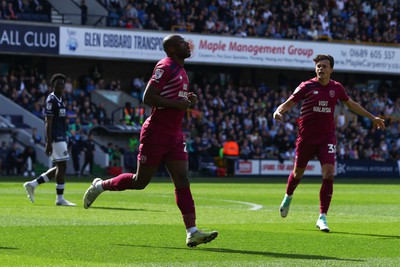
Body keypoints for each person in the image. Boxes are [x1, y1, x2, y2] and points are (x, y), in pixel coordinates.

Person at [83, 34, 218, 247]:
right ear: (172, 49)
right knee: (140, 182)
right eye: (182, 42)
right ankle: (101, 185)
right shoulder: (166, 66)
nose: (187, 43)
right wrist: (177, 104)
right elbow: (148, 97)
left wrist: (186, 100)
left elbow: (173, 99)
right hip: (156, 133)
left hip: (174, 135)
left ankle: (192, 231)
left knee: (182, 180)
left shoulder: (181, 70)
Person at [273, 54, 385, 232]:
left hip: (327, 138)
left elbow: (352, 104)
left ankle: (322, 217)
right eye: (318, 66)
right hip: (306, 138)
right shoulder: (306, 86)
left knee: (329, 174)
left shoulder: (337, 88)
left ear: (331, 69)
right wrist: (278, 111)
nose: (321, 69)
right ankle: (288, 196)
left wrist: (372, 117)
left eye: (324, 66)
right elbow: (289, 102)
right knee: (297, 174)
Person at [23, 73, 76, 206]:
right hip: (56, 137)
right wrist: (48, 141)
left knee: (60, 165)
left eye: (62, 85)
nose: (60, 87)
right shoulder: (51, 100)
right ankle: (59, 199)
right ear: (53, 86)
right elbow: (48, 121)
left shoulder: (60, 99)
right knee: (62, 165)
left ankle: (33, 184)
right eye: (58, 84)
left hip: (61, 135)